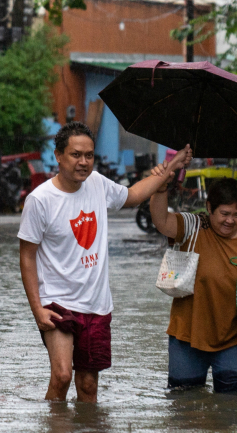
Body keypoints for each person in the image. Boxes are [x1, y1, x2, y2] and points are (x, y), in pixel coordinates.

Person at [18, 122, 192, 402]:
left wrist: (170, 167)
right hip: (57, 302)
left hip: (97, 304)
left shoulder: (97, 183)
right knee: (62, 376)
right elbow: (26, 256)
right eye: (76, 155)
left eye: (89, 155)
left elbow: (133, 195)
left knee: (88, 385)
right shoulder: (40, 201)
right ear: (59, 156)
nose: (83, 162)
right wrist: (37, 310)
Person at [148, 174, 237, 392]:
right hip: (188, 333)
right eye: (224, 214)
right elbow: (161, 221)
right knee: (184, 404)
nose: (230, 220)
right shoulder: (193, 225)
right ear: (209, 207)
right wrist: (160, 188)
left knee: (234, 404)